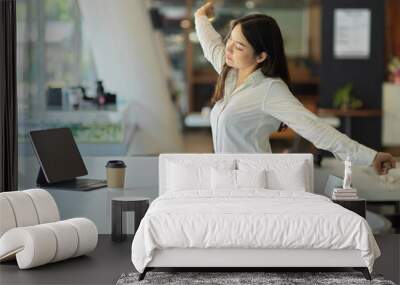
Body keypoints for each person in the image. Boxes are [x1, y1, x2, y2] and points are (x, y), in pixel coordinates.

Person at [194, 2, 396, 175]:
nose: (228, 47)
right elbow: (210, 43)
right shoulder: (229, 72)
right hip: (225, 178)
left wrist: (371, 157)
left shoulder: (269, 89)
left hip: (253, 181)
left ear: (261, 56)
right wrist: (200, 15)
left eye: (239, 46)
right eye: (229, 39)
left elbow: (316, 129)